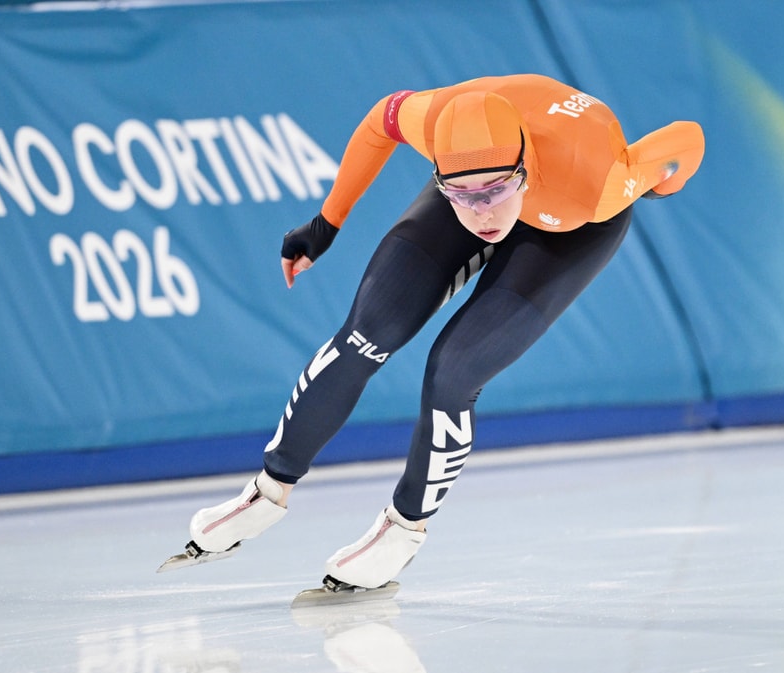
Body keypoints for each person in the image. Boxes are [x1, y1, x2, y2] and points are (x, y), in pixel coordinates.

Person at [169, 73, 705, 593]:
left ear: (521, 167)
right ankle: (267, 492)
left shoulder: (601, 179)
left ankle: (404, 528)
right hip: (498, 164)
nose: (483, 213)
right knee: (366, 332)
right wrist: (325, 224)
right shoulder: (439, 122)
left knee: (453, 370)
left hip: (570, 216)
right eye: (463, 194)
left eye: (495, 192)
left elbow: (688, 139)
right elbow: (380, 121)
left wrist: (659, 181)